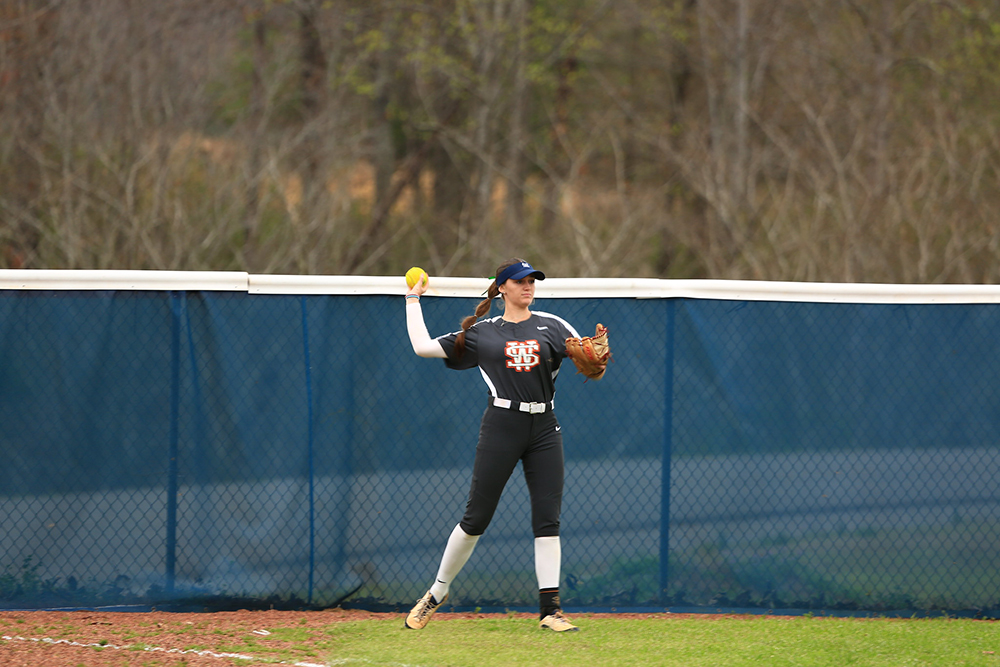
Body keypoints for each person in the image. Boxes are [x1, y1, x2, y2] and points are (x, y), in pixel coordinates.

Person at [402, 258, 606, 633]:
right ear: (502, 288)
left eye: (532, 280)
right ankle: (435, 593)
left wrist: (594, 362)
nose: (529, 286)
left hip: (545, 427)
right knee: (475, 519)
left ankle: (550, 611)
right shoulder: (483, 333)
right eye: (521, 281)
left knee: (548, 519)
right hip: (502, 426)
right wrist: (412, 300)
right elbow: (422, 347)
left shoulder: (553, 326)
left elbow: (590, 357)